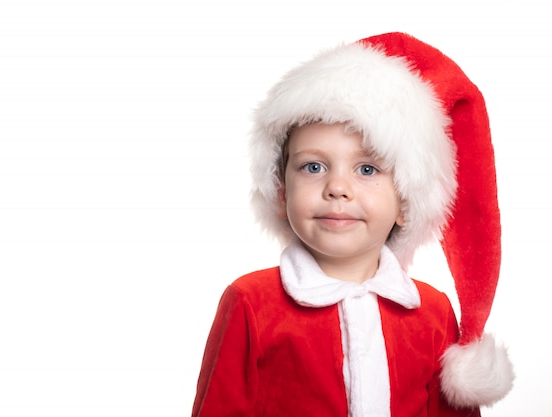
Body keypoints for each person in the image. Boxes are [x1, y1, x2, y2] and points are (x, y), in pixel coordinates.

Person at [192, 32, 514, 417]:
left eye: (367, 169)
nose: (338, 187)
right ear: (280, 192)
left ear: (405, 203)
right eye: (314, 167)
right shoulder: (250, 302)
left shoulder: (433, 313)